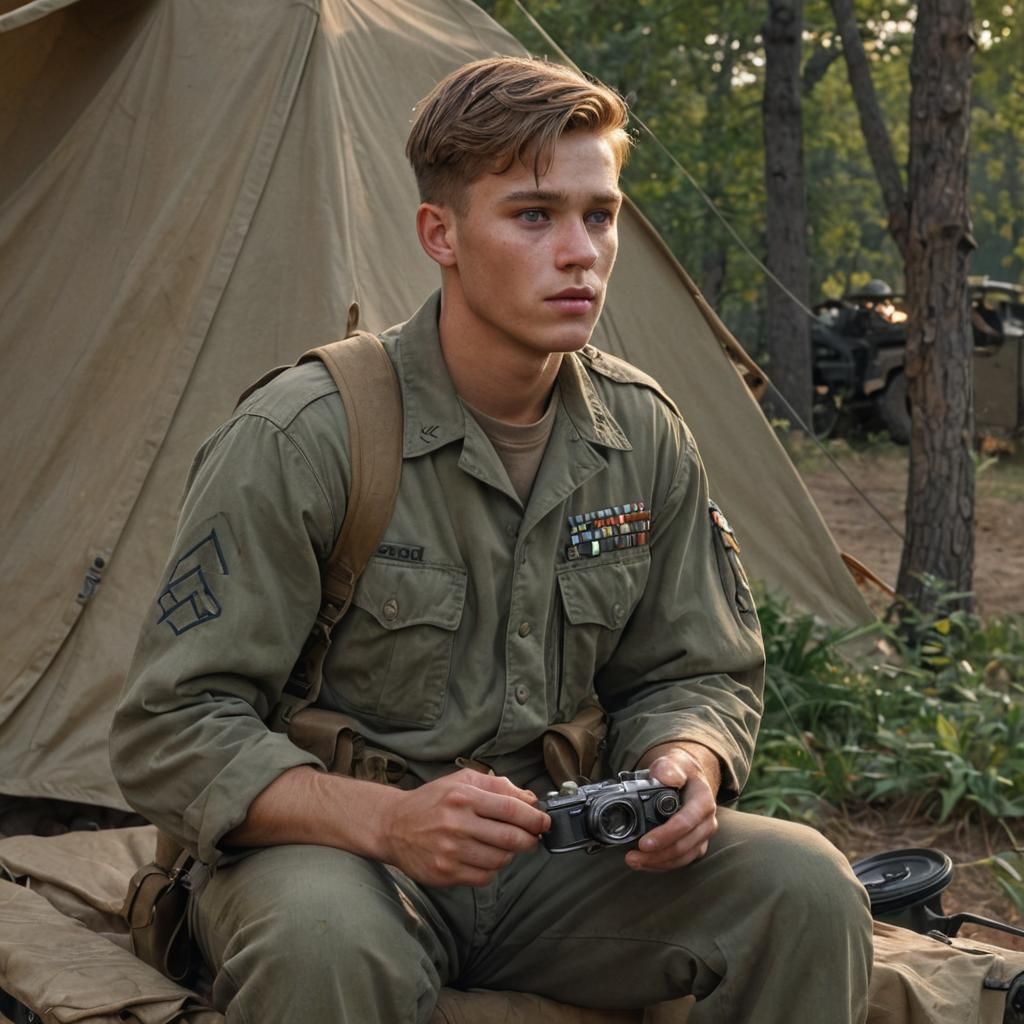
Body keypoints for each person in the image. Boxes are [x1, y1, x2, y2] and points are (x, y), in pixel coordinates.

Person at [110, 56, 872, 1023]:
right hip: (334, 857)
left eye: (599, 215)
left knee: (804, 888)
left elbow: (696, 669)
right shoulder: (307, 435)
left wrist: (686, 759)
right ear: (443, 234)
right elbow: (169, 730)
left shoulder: (641, 436)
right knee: (325, 945)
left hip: (552, 860)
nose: (581, 252)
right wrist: (391, 822)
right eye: (534, 215)